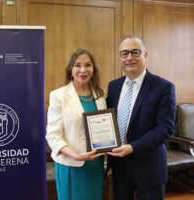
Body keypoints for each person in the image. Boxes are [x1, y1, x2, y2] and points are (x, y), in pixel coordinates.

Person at [107, 35, 176, 200]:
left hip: (149, 165)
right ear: (120, 57)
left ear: (145, 55)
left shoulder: (164, 87)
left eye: (135, 52)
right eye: (124, 53)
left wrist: (133, 147)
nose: (129, 57)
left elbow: (165, 129)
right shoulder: (114, 86)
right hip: (120, 165)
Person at [46, 47, 106, 200]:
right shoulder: (58, 95)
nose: (83, 70)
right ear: (70, 69)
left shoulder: (100, 94)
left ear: (94, 68)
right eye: (77, 65)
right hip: (71, 164)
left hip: (95, 164)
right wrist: (77, 156)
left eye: (88, 65)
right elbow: (53, 136)